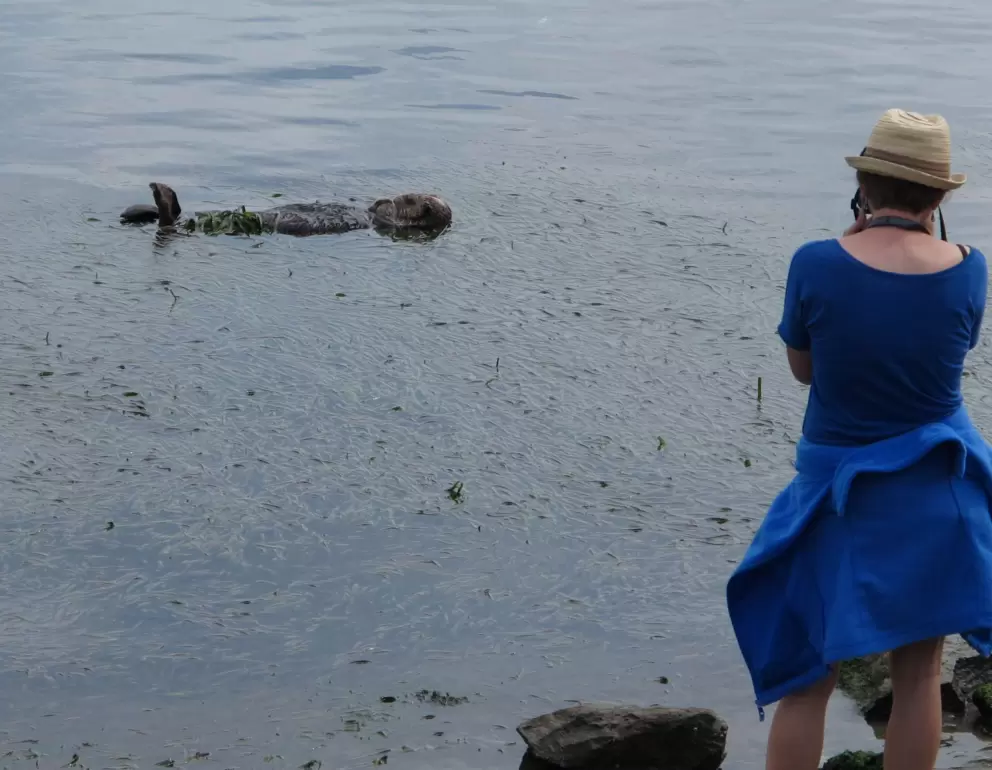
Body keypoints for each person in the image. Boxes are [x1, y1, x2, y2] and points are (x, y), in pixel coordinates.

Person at [726, 108, 992, 770]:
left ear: (865, 189)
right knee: (919, 674)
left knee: (807, 678)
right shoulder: (970, 267)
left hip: (839, 501)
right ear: (940, 197)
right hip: (938, 489)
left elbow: (804, 370)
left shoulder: (816, 264)